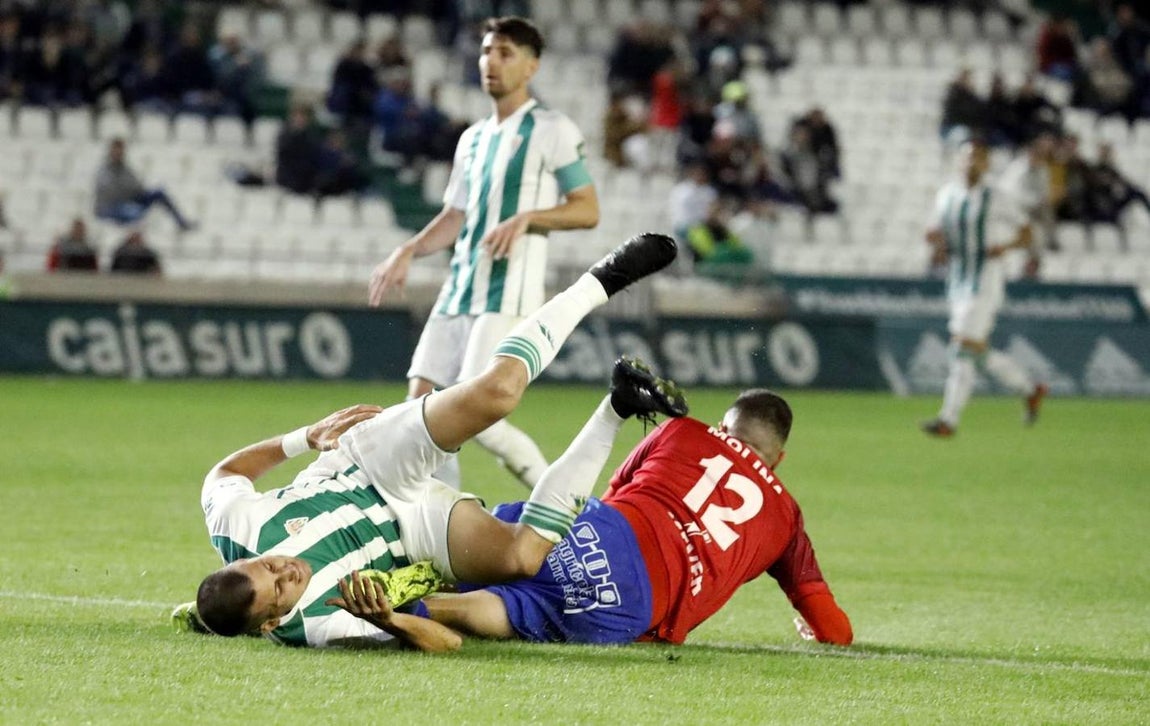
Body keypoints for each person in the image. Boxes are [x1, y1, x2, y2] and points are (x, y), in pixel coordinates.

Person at [187, 232, 679, 647]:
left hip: (364, 465)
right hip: (412, 531)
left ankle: (600, 281)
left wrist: (303, 438)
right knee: (521, 557)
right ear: (272, 623)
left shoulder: (236, 525)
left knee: (497, 394)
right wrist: (389, 620)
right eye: (279, 589)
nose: (286, 570)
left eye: (268, 565)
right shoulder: (316, 625)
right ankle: (618, 407)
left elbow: (224, 475)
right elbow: (448, 642)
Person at [348, 388, 854, 648]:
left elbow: (611, 492)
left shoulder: (683, 430)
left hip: (600, 529)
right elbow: (833, 626)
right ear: (778, 460)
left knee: (502, 544)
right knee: (522, 611)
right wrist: (818, 632)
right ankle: (415, 615)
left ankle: (370, 565)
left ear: (726, 426)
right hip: (634, 603)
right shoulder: (786, 516)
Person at [367, 17, 599, 492]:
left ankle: (568, 513)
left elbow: (587, 209)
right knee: (420, 411)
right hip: (459, 289)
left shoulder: (551, 129)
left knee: (478, 417)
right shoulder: (472, 138)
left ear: (531, 66)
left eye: (505, 53)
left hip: (507, 290)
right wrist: (409, 249)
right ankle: (444, 527)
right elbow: (456, 215)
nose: (491, 61)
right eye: (487, 51)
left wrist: (529, 217)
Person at [920, 141, 1048, 438]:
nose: (971, 163)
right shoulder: (947, 195)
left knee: (962, 346)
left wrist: (1005, 246)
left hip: (986, 281)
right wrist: (936, 243)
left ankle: (948, 420)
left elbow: (1027, 233)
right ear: (958, 161)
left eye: (977, 158)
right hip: (958, 280)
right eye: (966, 157)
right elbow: (934, 231)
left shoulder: (996, 197)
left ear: (986, 164)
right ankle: (1029, 388)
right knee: (972, 350)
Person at [94, 138, 196, 231]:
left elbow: (137, 186)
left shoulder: (126, 168)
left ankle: (181, 223)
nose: (119, 153)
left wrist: (132, 190)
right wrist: (130, 190)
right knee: (133, 213)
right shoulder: (104, 171)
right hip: (110, 208)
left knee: (158, 193)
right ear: (111, 151)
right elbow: (111, 192)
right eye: (116, 150)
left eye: (121, 150)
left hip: (129, 201)